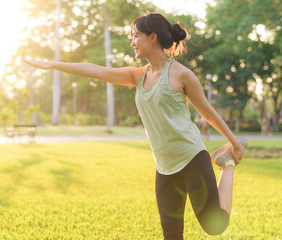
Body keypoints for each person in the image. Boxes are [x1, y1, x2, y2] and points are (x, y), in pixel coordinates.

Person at [22, 12, 246, 240]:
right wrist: (52, 64)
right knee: (171, 235)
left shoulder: (181, 74)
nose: (131, 42)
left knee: (215, 225)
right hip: (165, 167)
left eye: (135, 35)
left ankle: (226, 165)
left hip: (191, 157)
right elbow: (95, 70)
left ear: (153, 37)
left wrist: (233, 143)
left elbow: (207, 111)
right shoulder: (137, 76)